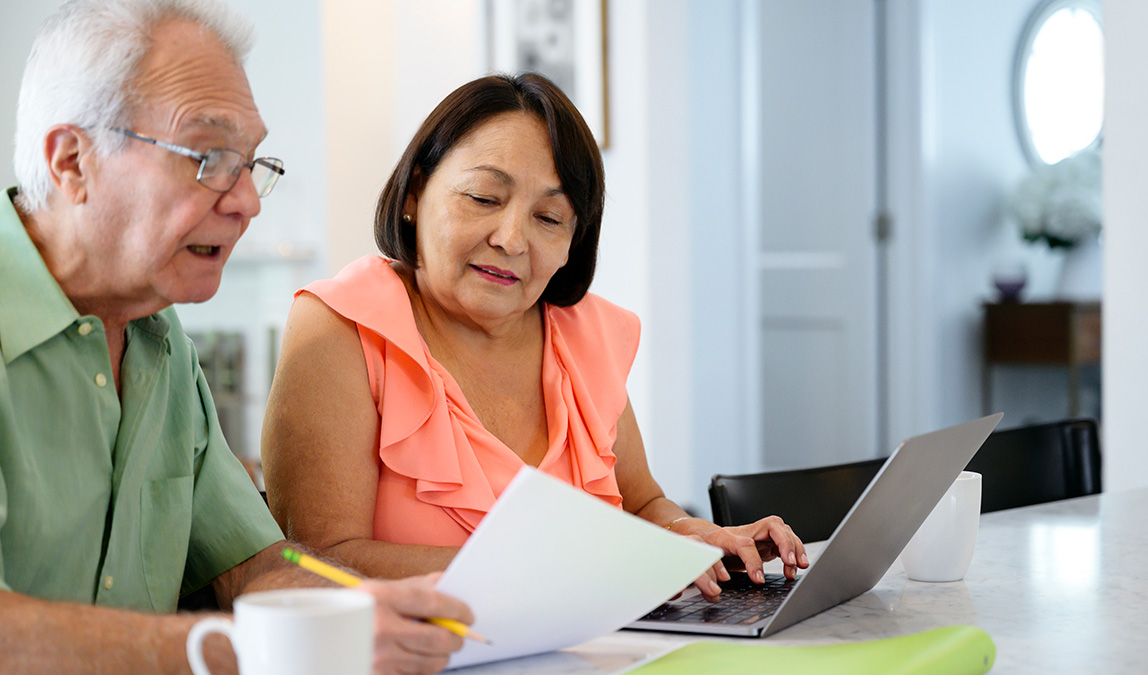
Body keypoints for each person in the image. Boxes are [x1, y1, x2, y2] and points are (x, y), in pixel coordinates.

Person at [0, 1, 472, 673]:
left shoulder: (158, 334)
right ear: (71, 162)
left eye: (251, 162)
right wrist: (256, 646)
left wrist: (398, 610)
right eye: (207, 156)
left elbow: (257, 565)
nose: (247, 199)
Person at [261, 73, 809, 602]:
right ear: (414, 193)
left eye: (549, 217)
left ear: (574, 241)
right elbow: (313, 561)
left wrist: (690, 535)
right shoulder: (341, 327)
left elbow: (642, 505)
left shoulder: (585, 332)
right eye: (482, 198)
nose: (511, 239)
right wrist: (563, 568)